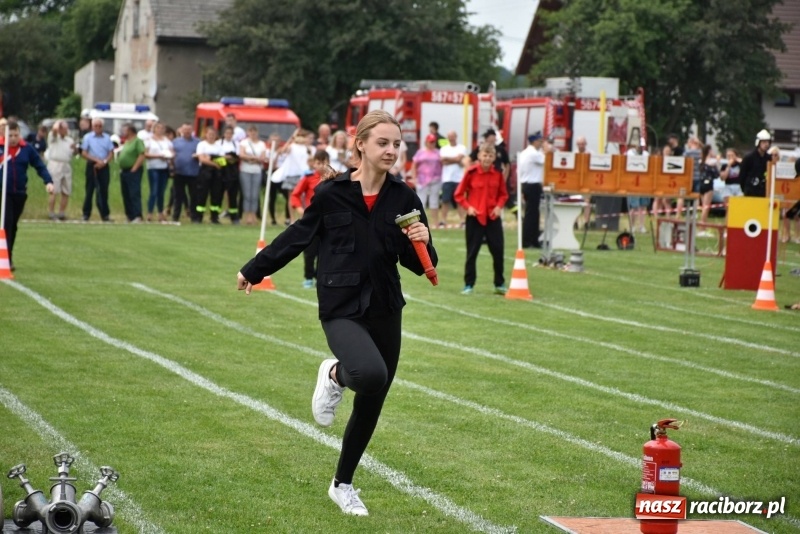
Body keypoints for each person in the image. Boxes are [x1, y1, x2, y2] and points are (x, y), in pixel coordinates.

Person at [236, 110, 436, 516]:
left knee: (371, 403)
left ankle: (342, 485)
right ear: (359, 144)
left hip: (385, 306)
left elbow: (420, 264)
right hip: (341, 306)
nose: (391, 150)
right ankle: (333, 373)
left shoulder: (405, 198)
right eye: (383, 142)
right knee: (369, 374)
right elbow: (298, 236)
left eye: (396, 144)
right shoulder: (332, 194)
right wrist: (254, 269)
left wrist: (424, 240)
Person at [454, 142, 509, 295]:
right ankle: (469, 284)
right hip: (475, 218)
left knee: (498, 251)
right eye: (484, 155)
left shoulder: (498, 174)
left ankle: (499, 283)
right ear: (479, 156)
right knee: (472, 253)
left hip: (493, 218)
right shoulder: (471, 173)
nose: (487, 158)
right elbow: (458, 194)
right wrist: (468, 207)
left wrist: (499, 207)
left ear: (494, 158)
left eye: (490, 156)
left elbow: (504, 194)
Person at [0, 121, 54, 270]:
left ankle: (8, 255)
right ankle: (6, 260)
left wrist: (48, 181)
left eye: (16, 135)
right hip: (4, 193)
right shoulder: (1, 148)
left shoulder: (26, 149)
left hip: (20, 192)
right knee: (6, 224)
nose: (13, 138)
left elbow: (39, 166)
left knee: (13, 226)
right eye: (10, 135)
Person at [290, 149, 329, 288]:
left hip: (328, 221)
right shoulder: (308, 178)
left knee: (324, 251)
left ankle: (319, 277)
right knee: (309, 251)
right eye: (318, 163)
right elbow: (295, 195)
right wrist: (300, 209)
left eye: (324, 162)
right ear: (314, 164)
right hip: (312, 221)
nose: (321, 166)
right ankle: (308, 277)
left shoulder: (334, 178)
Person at [81, 118, 115, 222]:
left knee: (103, 190)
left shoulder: (107, 138)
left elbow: (111, 153)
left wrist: (104, 162)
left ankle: (105, 214)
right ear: (92, 127)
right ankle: (86, 214)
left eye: (99, 126)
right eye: (95, 126)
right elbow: (84, 153)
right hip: (92, 165)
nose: (97, 128)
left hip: (104, 166)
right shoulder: (87, 137)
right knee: (89, 190)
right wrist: (96, 160)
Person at [517, 132, 546, 248]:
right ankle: (528, 239)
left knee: (533, 213)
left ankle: (533, 239)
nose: (541, 143)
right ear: (534, 141)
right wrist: (546, 149)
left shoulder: (525, 152)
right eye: (540, 141)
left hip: (526, 184)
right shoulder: (534, 153)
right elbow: (546, 160)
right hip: (533, 185)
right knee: (532, 214)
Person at [279, 129, 312, 224]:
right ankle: (292, 219)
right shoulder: (292, 146)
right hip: (292, 174)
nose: (301, 138)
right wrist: (291, 138)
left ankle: (302, 218)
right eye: (299, 136)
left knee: (303, 198)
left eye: (303, 136)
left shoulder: (308, 148)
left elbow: (311, 157)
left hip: (304, 175)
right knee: (291, 197)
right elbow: (283, 151)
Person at [410, 134, 443, 227]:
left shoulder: (438, 152)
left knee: (434, 201)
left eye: (433, 142)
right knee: (421, 201)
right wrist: (414, 178)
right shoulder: (420, 152)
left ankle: (435, 222)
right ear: (426, 142)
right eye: (430, 142)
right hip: (422, 179)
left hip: (435, 179)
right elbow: (414, 165)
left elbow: (442, 164)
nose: (432, 143)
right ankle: (420, 222)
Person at [45, 120, 75, 221]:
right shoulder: (53, 137)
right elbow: (54, 130)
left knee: (66, 190)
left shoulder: (69, 140)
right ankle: (51, 212)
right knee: (54, 190)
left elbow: (72, 152)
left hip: (66, 164)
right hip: (55, 164)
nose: (66, 131)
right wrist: (58, 123)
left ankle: (62, 213)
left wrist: (75, 149)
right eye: (63, 128)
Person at [194, 127, 225, 224]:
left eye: (213, 134)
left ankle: (214, 217)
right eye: (209, 134)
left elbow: (222, 161)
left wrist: (210, 158)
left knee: (216, 194)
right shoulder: (202, 145)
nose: (211, 136)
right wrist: (214, 162)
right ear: (206, 135)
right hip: (205, 172)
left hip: (216, 174)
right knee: (202, 194)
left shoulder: (219, 146)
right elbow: (202, 159)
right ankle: (199, 217)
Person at [144, 122, 174, 222]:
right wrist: (158, 156)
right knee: (154, 190)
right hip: (153, 167)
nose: (160, 130)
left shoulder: (167, 141)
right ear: (154, 129)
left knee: (161, 191)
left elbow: (172, 152)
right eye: (158, 128)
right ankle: (150, 212)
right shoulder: (149, 140)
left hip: (164, 167)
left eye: (162, 128)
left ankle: (160, 213)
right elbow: (145, 154)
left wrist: (169, 156)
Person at [117, 123, 146, 223]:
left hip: (133, 170)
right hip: (124, 171)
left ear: (130, 131)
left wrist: (135, 168)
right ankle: (129, 215)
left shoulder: (137, 141)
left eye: (124, 130)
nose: (123, 132)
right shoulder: (126, 142)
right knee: (126, 193)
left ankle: (137, 215)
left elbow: (141, 154)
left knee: (134, 193)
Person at [239, 125, 267, 226]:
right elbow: (241, 154)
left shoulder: (261, 144)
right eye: (250, 131)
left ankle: (254, 215)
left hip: (257, 171)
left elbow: (263, 157)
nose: (253, 134)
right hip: (245, 170)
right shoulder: (244, 142)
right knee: (247, 195)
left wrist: (251, 158)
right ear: (248, 132)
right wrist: (253, 158)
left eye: (254, 131)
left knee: (255, 195)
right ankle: (247, 216)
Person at [171, 123, 200, 222]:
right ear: (181, 131)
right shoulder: (175, 142)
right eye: (185, 130)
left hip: (193, 173)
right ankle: (175, 217)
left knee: (194, 196)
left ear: (192, 131)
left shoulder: (197, 142)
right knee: (178, 196)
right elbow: (171, 154)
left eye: (189, 130)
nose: (187, 132)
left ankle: (194, 217)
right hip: (179, 173)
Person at [439, 130, 468, 228]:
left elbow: (459, 159)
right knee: (445, 200)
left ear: (456, 137)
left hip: (459, 179)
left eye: (452, 136)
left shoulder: (462, 148)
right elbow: (443, 161)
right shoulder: (444, 149)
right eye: (449, 136)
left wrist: (449, 159)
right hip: (447, 178)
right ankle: (443, 220)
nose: (451, 138)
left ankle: (462, 220)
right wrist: (456, 160)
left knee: (460, 200)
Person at [626, 140, 651, 233]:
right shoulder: (629, 154)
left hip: (644, 183)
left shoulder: (646, 154)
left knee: (643, 206)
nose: (640, 148)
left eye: (642, 146)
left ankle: (641, 226)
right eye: (639, 146)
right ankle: (632, 226)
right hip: (633, 182)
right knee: (633, 206)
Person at [217, 125, 241, 224]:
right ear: (224, 134)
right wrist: (225, 158)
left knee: (233, 194)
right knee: (218, 193)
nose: (228, 135)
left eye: (230, 133)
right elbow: (216, 156)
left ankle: (234, 217)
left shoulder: (236, 144)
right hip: (222, 170)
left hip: (233, 171)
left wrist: (232, 158)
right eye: (227, 133)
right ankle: (215, 216)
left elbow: (238, 156)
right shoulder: (218, 143)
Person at [740, 129, 771, 197]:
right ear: (758, 142)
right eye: (764, 142)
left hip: (764, 192)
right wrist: (745, 189)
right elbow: (742, 176)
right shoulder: (749, 158)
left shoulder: (769, 159)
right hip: (750, 191)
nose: (767, 144)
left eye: (768, 142)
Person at [697, 144, 719, 233]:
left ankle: (703, 225)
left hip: (701, 184)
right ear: (709, 151)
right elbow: (716, 174)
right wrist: (717, 161)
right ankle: (702, 226)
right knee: (706, 207)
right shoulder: (711, 163)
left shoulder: (700, 162)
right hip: (709, 184)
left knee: (703, 206)